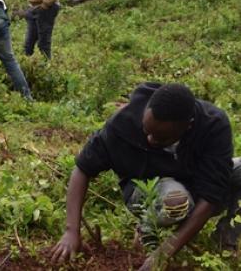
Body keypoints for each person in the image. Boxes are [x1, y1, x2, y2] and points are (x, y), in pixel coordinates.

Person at [51, 83, 241, 270]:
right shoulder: (125, 120)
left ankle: (227, 239)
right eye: (146, 131)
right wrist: (71, 231)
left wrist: (163, 253)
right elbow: (82, 168)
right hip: (150, 189)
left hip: (196, 181)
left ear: (188, 126)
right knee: (175, 202)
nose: (151, 139)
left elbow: (210, 196)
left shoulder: (213, 125)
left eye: (161, 138)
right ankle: (147, 232)